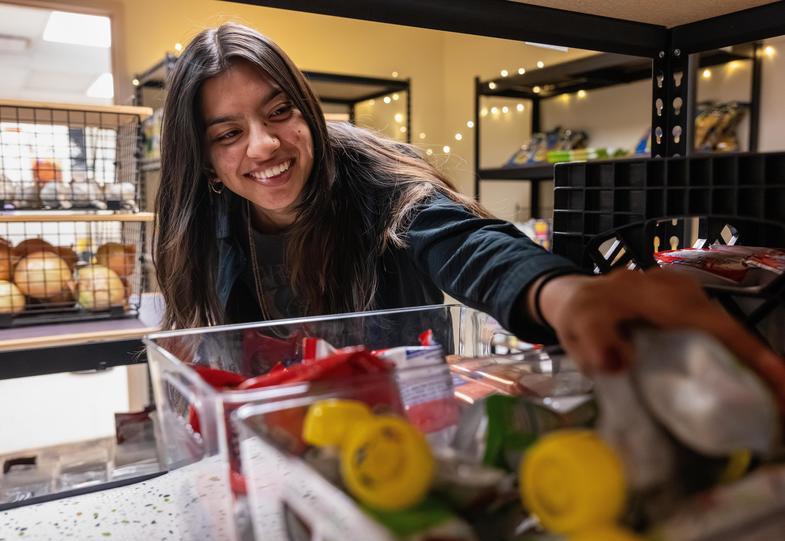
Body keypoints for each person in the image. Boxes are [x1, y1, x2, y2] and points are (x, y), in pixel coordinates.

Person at [154, 22, 785, 407]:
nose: (263, 146)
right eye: (228, 132)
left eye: (279, 111)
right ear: (205, 159)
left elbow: (467, 243)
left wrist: (563, 296)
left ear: (307, 111)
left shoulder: (374, 177)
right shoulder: (201, 228)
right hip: (282, 432)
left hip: (402, 421)